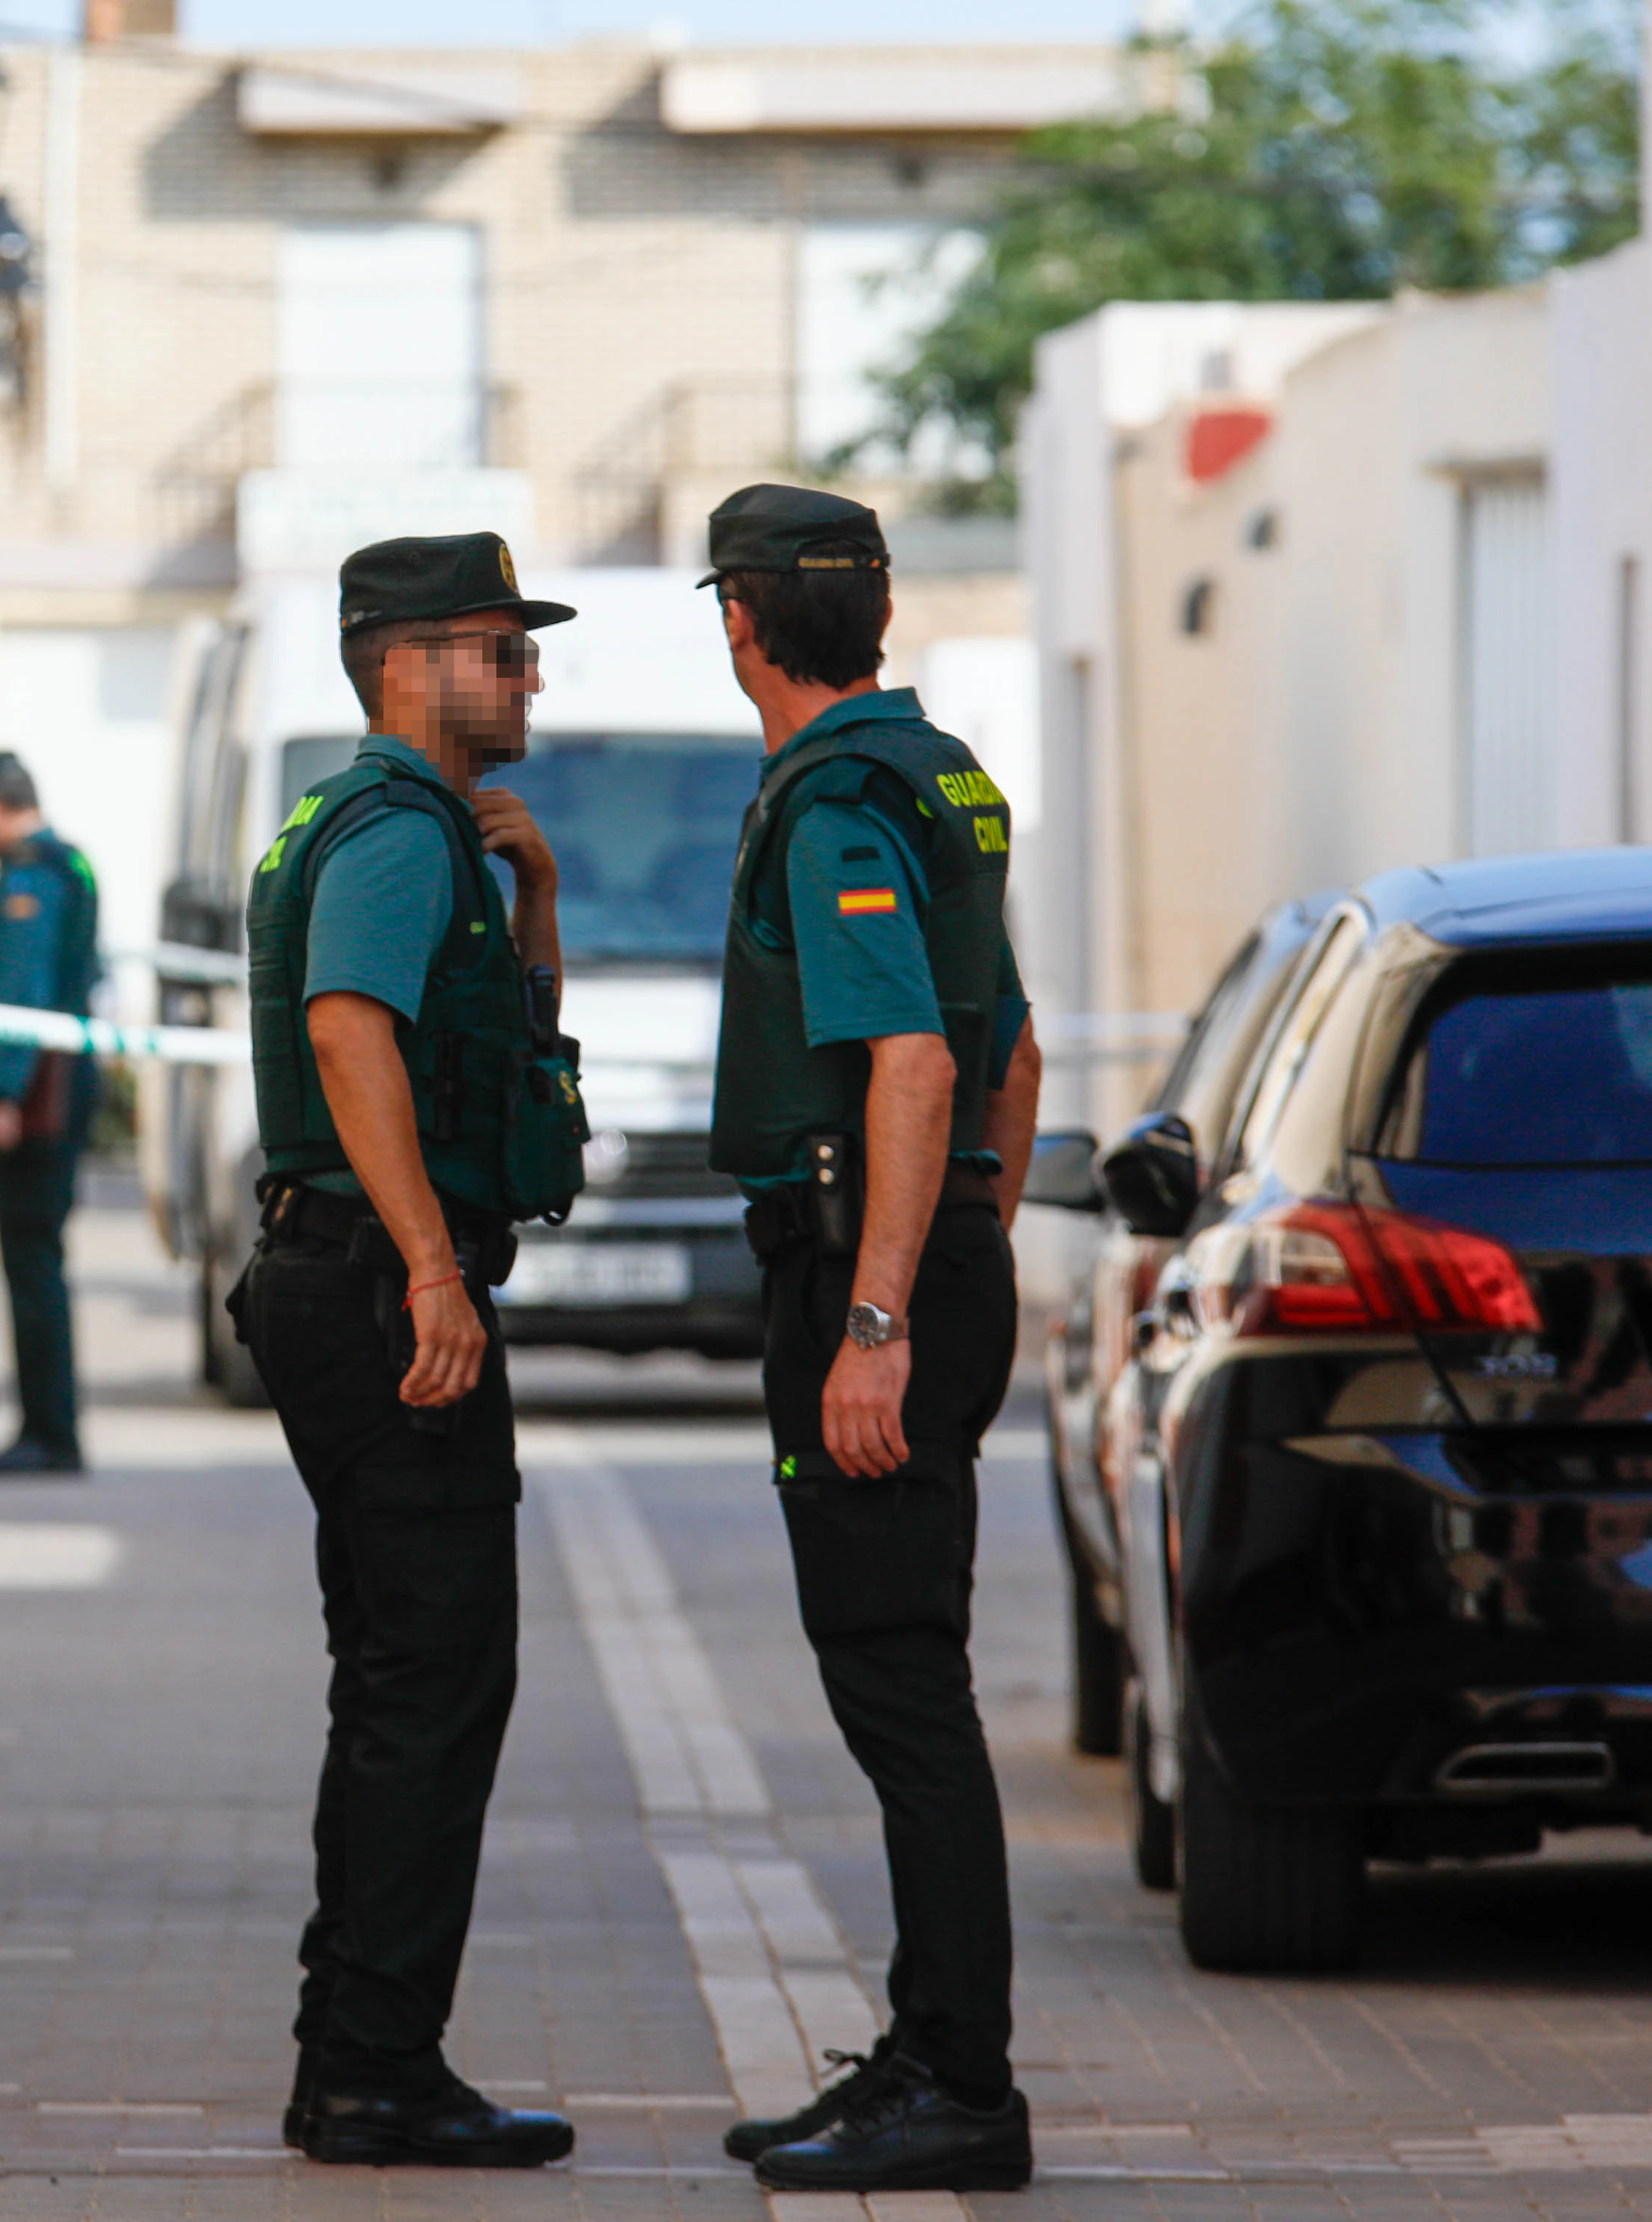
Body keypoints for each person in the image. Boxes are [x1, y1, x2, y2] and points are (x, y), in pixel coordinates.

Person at [696, 485, 1042, 2196]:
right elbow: (1011, 1054)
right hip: (928, 1258)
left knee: (898, 1686)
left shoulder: (830, 798)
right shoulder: (944, 778)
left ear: (738, 623)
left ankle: (960, 2087)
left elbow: (911, 1060)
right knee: (906, 1675)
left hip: (859, 1278)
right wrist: (966, 1249)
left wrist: (878, 1319)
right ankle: (923, 2045)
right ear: (877, 613)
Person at [232, 532, 586, 2171]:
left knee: (406, 1682)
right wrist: (436, 1274)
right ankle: (373, 2070)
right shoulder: (388, 834)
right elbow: (347, 1025)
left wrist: (539, 902)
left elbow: (487, 1060)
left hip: (355, 1278)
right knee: (433, 1684)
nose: (528, 678)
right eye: (502, 652)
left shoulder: (407, 828)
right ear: (407, 662)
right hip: (381, 1293)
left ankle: (358, 2056)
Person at [0, 751, 104, 1477]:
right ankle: (50, 1426)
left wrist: (1, 1092)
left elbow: (21, 987)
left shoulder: (30, 875)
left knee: (32, 1263)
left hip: (38, 1097)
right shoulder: (70, 862)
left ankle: (48, 1432)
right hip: (65, 1086)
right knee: (41, 1259)